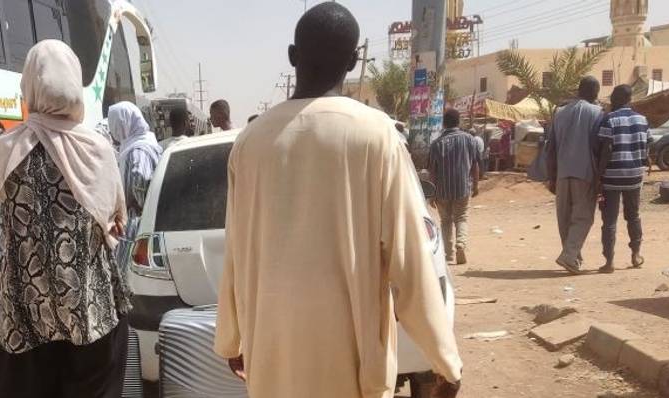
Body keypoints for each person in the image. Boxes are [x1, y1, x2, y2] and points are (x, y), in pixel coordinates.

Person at [213, 4, 462, 398]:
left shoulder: (250, 143)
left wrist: (231, 337)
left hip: (273, 358)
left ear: (293, 56)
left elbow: (236, 249)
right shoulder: (375, 136)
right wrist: (444, 359)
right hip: (349, 364)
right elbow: (409, 258)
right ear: (352, 61)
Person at [0, 40, 131, 398]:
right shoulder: (96, 149)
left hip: (25, 319)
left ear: (29, 86)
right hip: (90, 314)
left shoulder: (2, 151)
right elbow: (116, 223)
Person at [545, 77, 604, 274]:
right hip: (584, 172)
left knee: (564, 217)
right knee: (583, 217)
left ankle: (572, 256)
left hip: (562, 173)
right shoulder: (597, 112)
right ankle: (569, 255)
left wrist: (551, 176)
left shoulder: (560, 113)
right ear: (594, 92)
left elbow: (550, 147)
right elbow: (599, 146)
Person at [594, 84, 648, 273]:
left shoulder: (610, 119)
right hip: (634, 175)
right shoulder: (642, 119)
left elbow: (606, 149)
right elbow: (646, 146)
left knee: (609, 220)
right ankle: (636, 255)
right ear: (630, 99)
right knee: (633, 216)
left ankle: (609, 262)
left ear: (616, 99)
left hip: (612, 177)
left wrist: (598, 176)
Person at [427, 109, 482, 265]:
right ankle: (461, 243)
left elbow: (432, 171)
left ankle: (448, 254)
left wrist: (432, 192)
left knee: (445, 221)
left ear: (443, 123)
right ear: (459, 122)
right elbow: (475, 166)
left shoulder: (436, 144)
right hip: (463, 187)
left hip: (442, 190)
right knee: (461, 217)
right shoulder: (470, 140)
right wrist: (476, 185)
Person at [109, 101, 162, 218]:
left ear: (123, 123)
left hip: (138, 223)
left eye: (114, 123)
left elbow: (140, 183)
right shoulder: (136, 145)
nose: (112, 129)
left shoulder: (137, 150)